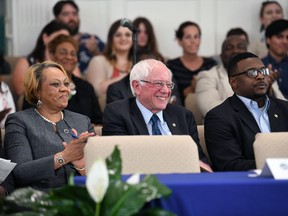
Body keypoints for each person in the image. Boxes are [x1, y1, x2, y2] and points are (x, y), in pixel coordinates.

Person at [102, 59, 212, 171]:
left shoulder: (183, 116)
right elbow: (119, 162)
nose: (165, 90)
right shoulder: (117, 113)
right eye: (158, 83)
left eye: (168, 84)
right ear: (137, 86)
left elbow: (199, 161)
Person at [4, 61, 95, 190]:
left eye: (66, 83)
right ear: (37, 91)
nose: (64, 89)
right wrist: (64, 156)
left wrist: (81, 167)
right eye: (55, 84)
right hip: (41, 201)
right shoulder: (19, 121)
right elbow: (21, 173)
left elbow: (101, 172)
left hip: (82, 197)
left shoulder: (82, 121)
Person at [205, 52, 288, 171]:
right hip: (249, 184)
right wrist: (277, 166)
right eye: (252, 73)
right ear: (234, 83)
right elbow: (229, 165)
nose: (260, 76)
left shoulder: (284, 109)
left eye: (263, 71)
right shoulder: (219, 118)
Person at [22, 35, 103, 125]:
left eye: (73, 54)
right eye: (63, 53)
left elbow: (98, 122)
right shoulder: (38, 85)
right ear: (52, 56)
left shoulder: (87, 88)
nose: (69, 57)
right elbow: (27, 120)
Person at [12, 20, 72, 97]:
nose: (62, 43)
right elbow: (20, 90)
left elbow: (78, 86)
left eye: (66, 39)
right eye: (59, 38)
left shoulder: (70, 62)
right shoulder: (26, 62)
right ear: (45, 38)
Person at [195, 36, 247, 117]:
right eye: (229, 48)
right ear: (221, 56)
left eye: (240, 47)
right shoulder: (206, 77)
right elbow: (212, 111)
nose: (235, 51)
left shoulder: (260, 75)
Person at [166, 21, 217, 104]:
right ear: (179, 41)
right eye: (188, 37)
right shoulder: (171, 66)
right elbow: (172, 97)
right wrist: (191, 89)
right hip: (181, 111)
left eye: (196, 36)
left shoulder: (211, 64)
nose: (193, 41)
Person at [53, 0, 105, 74]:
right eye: (66, 14)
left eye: (74, 14)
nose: (71, 18)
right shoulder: (53, 42)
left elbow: (112, 65)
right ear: (57, 19)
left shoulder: (91, 39)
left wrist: (95, 52)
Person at [86, 19, 133, 98]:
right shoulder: (98, 61)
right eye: (118, 35)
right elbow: (96, 90)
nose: (123, 38)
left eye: (128, 35)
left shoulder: (138, 63)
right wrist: (127, 76)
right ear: (111, 39)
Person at [261, 19, 288, 99]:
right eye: (279, 37)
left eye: (287, 37)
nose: (285, 41)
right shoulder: (259, 66)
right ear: (268, 40)